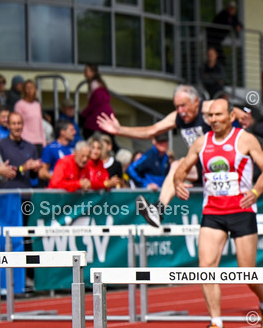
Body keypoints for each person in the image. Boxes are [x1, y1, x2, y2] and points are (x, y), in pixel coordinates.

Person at [172, 98, 263, 328]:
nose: (214, 120)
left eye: (219, 115)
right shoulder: (201, 142)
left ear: (230, 115)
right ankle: (216, 324)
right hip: (213, 213)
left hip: (241, 210)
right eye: (211, 116)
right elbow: (182, 168)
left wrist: (256, 192)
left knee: (247, 271)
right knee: (206, 269)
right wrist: (177, 182)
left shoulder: (244, 139)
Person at [96, 84, 246, 227]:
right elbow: (151, 131)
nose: (181, 111)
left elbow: (228, 108)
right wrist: (120, 130)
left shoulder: (207, 108)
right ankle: (158, 210)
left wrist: (240, 114)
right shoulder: (177, 117)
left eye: (184, 105)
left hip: (225, 164)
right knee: (176, 165)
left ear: (195, 102)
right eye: (177, 106)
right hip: (203, 166)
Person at [0, 112, 43, 293]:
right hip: (5, 200)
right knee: (7, 240)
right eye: (13, 123)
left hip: (25, 199)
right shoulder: (0, 146)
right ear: (8, 125)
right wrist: (24, 167)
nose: (16, 126)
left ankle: (25, 280)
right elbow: (5, 172)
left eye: (19, 123)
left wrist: (34, 169)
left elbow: (34, 177)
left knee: (26, 239)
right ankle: (5, 283)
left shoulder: (31, 146)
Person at [77, 64, 115, 138]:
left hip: (99, 113)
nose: (84, 73)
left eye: (86, 71)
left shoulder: (94, 84)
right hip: (103, 113)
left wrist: (85, 113)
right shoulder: (99, 83)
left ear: (93, 72)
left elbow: (95, 102)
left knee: (87, 132)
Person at [14, 80, 45, 150]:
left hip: (39, 141)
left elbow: (40, 124)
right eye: (27, 88)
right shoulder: (19, 104)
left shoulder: (37, 105)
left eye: (32, 88)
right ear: (24, 90)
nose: (30, 90)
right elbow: (17, 123)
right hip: (26, 141)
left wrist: (43, 141)